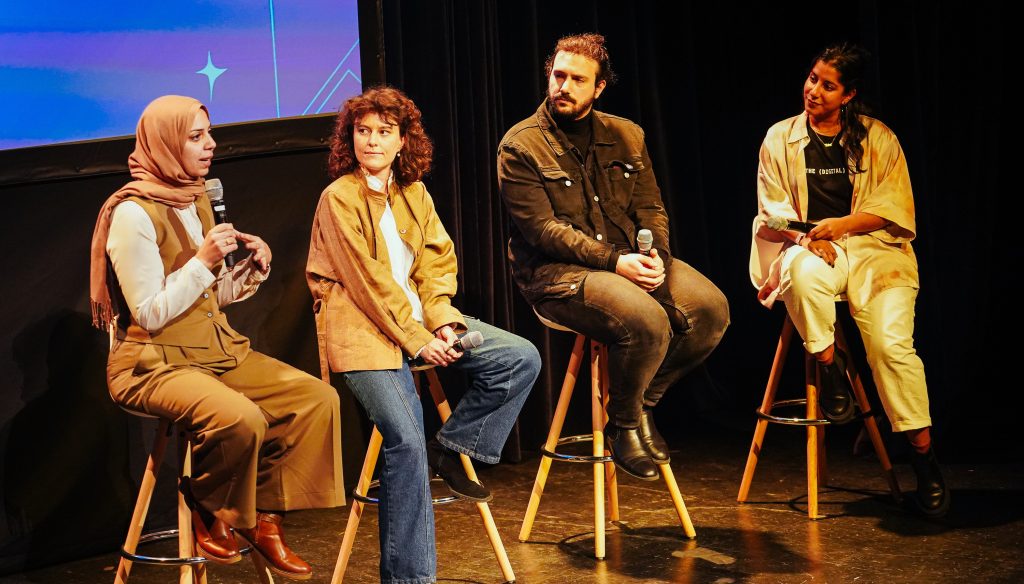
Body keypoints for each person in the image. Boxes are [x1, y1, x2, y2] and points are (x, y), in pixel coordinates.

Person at [89, 95, 344, 580]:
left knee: (316, 400)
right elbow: (151, 311)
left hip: (212, 347)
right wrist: (202, 262)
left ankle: (264, 520)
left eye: (209, 133)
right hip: (151, 361)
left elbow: (210, 297)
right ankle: (212, 508)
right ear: (165, 143)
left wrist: (249, 270)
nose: (211, 145)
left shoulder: (196, 196)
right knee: (239, 418)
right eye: (196, 136)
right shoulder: (132, 214)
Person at [306, 86, 539, 583]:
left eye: (383, 132)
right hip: (365, 332)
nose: (371, 141)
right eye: (362, 131)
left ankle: (454, 446)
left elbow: (436, 264)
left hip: (416, 324)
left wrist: (444, 321)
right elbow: (367, 286)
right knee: (406, 441)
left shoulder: (414, 193)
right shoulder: (338, 198)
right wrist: (418, 340)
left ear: (401, 140)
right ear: (350, 138)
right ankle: (411, 578)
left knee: (520, 357)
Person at [497, 33, 730, 481]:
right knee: (647, 319)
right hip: (558, 275)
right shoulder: (521, 146)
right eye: (558, 76)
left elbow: (650, 208)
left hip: (627, 259)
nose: (563, 86)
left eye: (576, 80)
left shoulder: (627, 135)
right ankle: (624, 427)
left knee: (710, 309)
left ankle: (639, 406)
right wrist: (615, 262)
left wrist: (656, 255)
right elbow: (543, 232)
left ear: (599, 87)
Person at [750, 43, 949, 517]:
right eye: (812, 78)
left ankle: (924, 460)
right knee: (799, 274)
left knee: (890, 348)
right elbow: (772, 206)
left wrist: (841, 226)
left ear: (849, 94)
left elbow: (893, 207)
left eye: (828, 85)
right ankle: (832, 367)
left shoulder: (878, 138)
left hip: (877, 253)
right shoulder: (780, 137)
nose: (813, 90)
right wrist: (804, 238)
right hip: (813, 248)